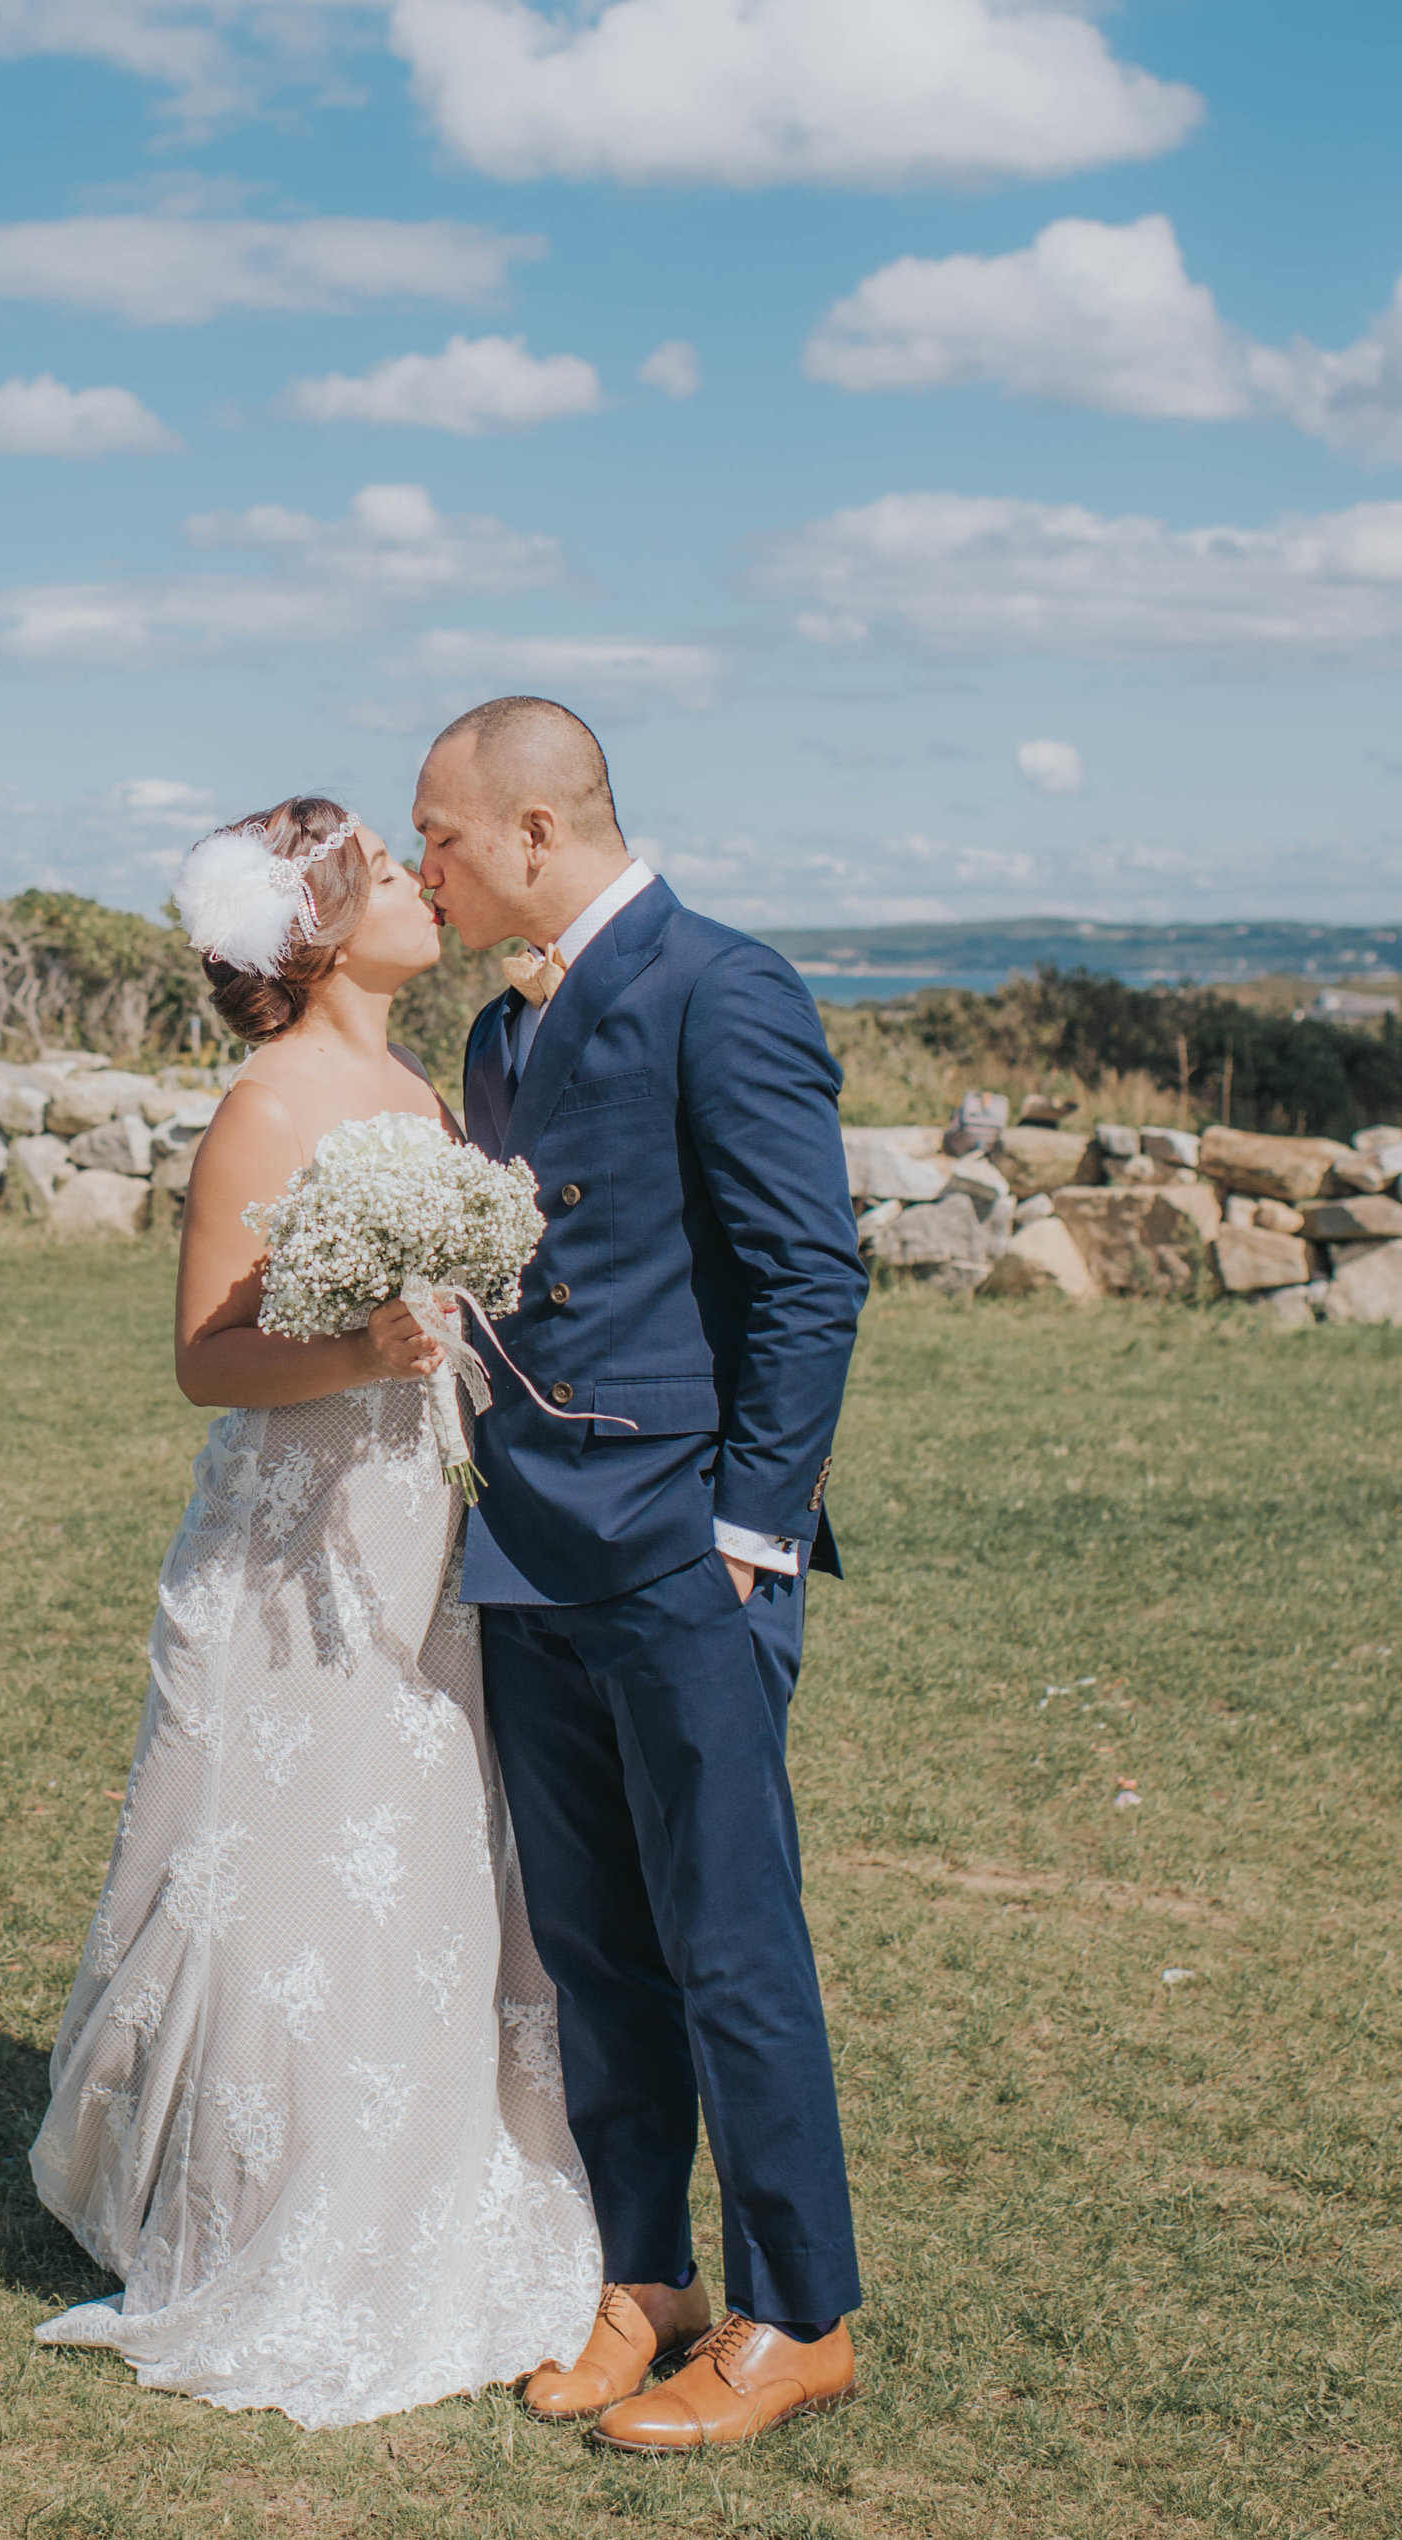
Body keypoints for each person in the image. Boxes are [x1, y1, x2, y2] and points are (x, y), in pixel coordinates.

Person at [29, 795, 598, 2429]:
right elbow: (207, 1353)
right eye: (390, 870)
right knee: (294, 1861)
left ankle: (439, 2176)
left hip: (427, 1509)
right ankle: (279, 2217)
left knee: (423, 1840)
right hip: (302, 1540)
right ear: (324, 933)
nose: (428, 880)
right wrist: (358, 1355)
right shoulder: (269, 1105)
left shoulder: (422, 1081)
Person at [411, 696, 867, 2458]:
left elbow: (805, 1277)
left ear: (535, 832)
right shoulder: (495, 1037)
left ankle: (798, 2314)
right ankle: (646, 2277)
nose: (424, 867)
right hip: (530, 1546)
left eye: (441, 835)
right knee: (596, 1949)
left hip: (685, 1552)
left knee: (730, 1943)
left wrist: (749, 1533)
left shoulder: (720, 985)